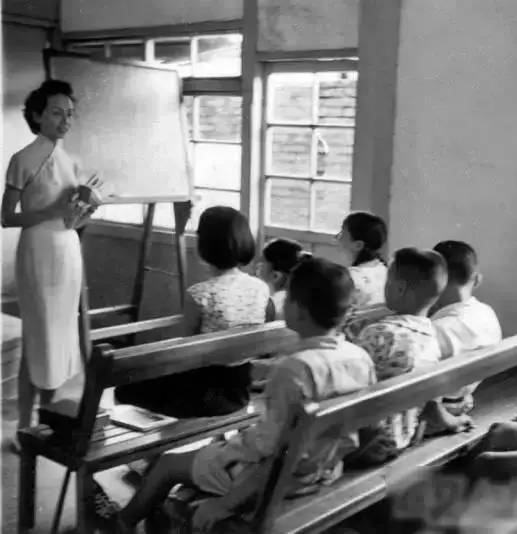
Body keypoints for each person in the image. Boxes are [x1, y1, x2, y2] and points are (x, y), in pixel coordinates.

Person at [113, 257, 377, 533]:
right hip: (324, 470)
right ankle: (167, 513)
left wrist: (225, 504)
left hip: (266, 480)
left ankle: (122, 523)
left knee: (168, 463)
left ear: (298, 310)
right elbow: (357, 430)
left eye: (288, 297)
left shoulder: (293, 370)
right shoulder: (359, 358)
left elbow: (272, 457)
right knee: (209, 452)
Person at [1, 80, 96, 452]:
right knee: (38, 339)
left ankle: (45, 423)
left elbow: (72, 221)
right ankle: (25, 426)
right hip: (37, 253)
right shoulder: (22, 159)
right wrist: (53, 210)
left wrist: (86, 209)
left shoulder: (73, 161)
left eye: (70, 114)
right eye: (57, 113)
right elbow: (6, 217)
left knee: (57, 341)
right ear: (37, 115)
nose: (65, 120)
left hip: (67, 252)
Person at [115, 206, 272, 418]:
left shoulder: (200, 294)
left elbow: (182, 354)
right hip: (240, 390)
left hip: (202, 394)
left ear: (204, 245)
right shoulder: (260, 287)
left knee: (125, 387)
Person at [346, 248, 446, 465]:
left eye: (387, 281)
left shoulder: (379, 333)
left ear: (399, 288)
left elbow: (349, 378)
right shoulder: (431, 334)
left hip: (368, 443)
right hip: (404, 435)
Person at [421, 241, 502, 436]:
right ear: (477, 279)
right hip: (464, 401)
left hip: (438, 415)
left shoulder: (437, 330)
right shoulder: (487, 313)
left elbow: (421, 393)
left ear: (435, 280)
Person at [335, 211, 388, 339]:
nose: (337, 238)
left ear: (358, 245)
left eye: (342, 234)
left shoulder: (348, 278)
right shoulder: (386, 271)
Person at [256, 237, 309, 319]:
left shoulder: (270, 306)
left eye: (262, 263)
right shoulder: (301, 300)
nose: (257, 267)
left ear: (276, 276)